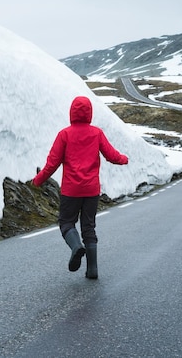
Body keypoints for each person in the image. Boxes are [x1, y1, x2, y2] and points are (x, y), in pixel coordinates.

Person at [32, 96, 128, 279]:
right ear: (89, 112)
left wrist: (37, 180)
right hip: (91, 190)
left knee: (67, 222)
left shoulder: (64, 134)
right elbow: (111, 155)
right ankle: (92, 270)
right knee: (89, 227)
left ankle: (76, 246)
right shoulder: (96, 133)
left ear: (72, 112)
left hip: (71, 190)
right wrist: (124, 159)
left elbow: (52, 163)